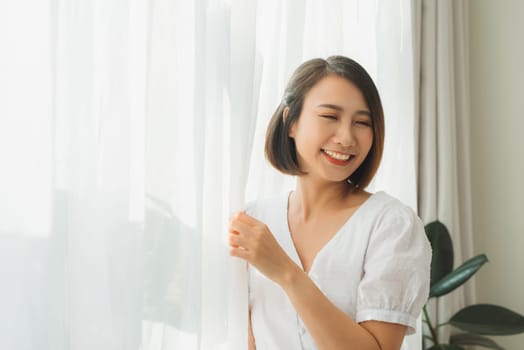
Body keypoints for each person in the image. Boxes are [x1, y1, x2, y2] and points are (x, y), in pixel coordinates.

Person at [228, 56, 431, 350]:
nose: (347, 138)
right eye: (330, 117)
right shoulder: (253, 220)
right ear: (291, 123)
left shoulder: (391, 224)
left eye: (362, 122)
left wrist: (286, 273)